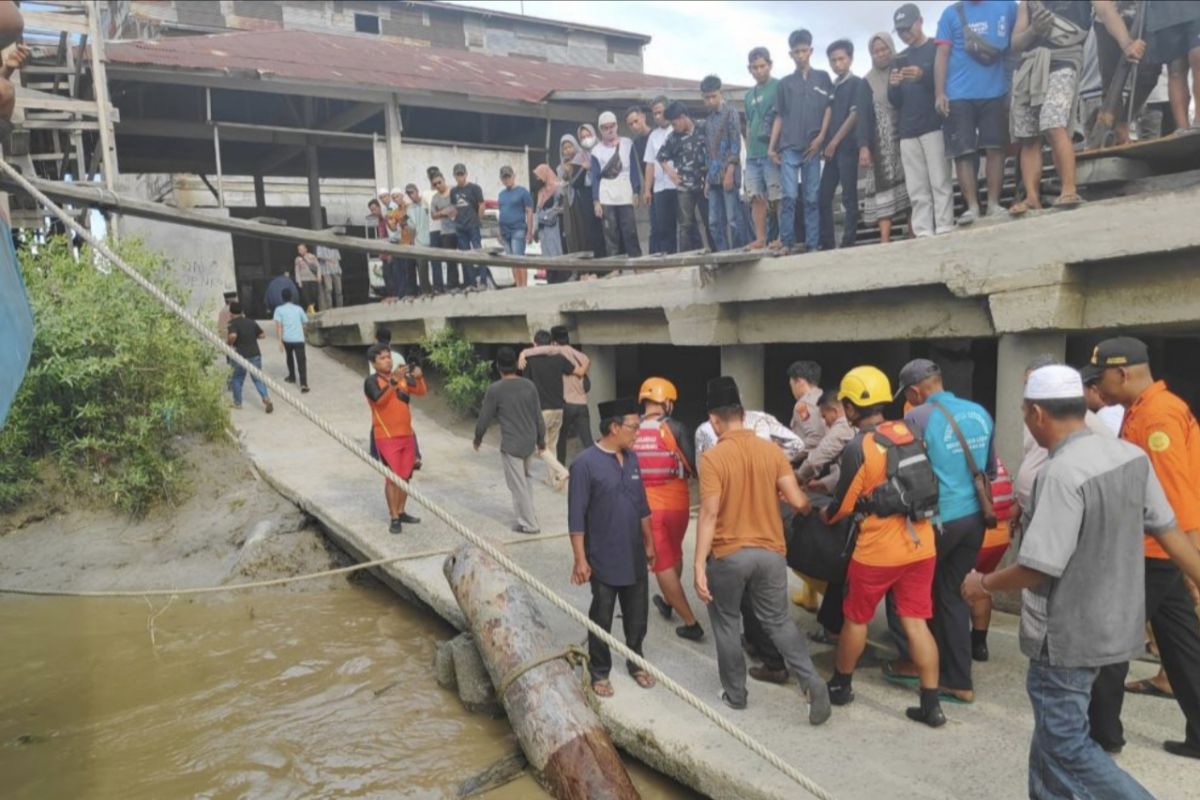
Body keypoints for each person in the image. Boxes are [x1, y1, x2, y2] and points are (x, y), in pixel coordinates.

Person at [961, 364, 1200, 796]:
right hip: (1117, 624)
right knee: (1050, 739)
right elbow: (1172, 536)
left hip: (1068, 635)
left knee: (1067, 743)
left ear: (1036, 414)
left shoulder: (1062, 472)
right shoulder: (1130, 455)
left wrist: (984, 583)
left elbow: (1039, 566)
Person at [1088, 336, 1200, 760]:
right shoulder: (1153, 407)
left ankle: (1103, 736)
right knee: (1182, 644)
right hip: (1158, 552)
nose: (1098, 387)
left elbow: (1176, 496)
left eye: (1101, 378)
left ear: (1123, 372)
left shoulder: (1157, 417)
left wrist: (1190, 563)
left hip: (1151, 552)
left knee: (1111, 642)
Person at [693, 375, 831, 722]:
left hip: (729, 555)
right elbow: (799, 500)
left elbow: (708, 514)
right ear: (743, 414)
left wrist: (697, 565)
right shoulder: (771, 452)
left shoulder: (713, 459)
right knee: (779, 621)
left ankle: (736, 696)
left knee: (726, 623)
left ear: (714, 419)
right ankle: (812, 682)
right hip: (770, 552)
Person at [822, 366, 945, 727]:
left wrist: (824, 517)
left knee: (856, 619)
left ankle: (842, 685)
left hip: (877, 552)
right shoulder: (911, 429)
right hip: (921, 545)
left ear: (850, 407)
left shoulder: (860, 446)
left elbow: (842, 505)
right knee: (916, 622)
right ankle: (931, 704)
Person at [889, 358, 995, 703]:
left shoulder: (916, 418)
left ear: (915, 391)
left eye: (907, 393)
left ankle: (914, 661)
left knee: (909, 590)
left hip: (939, 520)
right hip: (976, 517)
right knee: (952, 594)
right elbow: (988, 468)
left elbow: (905, 472)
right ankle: (959, 679)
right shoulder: (979, 412)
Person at [569, 396, 657, 697]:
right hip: (602, 557)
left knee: (637, 616)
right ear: (614, 428)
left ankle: (636, 662)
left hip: (634, 554)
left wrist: (649, 542)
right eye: (634, 427)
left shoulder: (632, 459)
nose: (638, 432)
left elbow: (642, 505)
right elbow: (576, 517)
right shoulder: (584, 464)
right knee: (602, 616)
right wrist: (580, 560)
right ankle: (600, 671)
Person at [1008, 1, 1108, 215]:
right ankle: (1032, 197)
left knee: (1053, 123)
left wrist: (1126, 43)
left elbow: (1105, 11)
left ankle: (1069, 188)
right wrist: (1033, 30)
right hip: (1030, 66)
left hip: (1064, 60)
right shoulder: (1027, 3)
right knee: (1028, 135)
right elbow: (1015, 43)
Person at [934, 0, 1018, 223]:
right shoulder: (950, 13)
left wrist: (1013, 84)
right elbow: (942, 54)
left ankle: (993, 203)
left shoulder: (1008, 6)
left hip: (996, 89)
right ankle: (972, 206)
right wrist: (939, 92)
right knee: (964, 151)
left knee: (995, 147)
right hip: (959, 93)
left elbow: (1017, 42)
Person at [634, 378, 703, 641]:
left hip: (651, 508)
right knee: (674, 553)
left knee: (661, 562)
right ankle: (668, 600)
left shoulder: (632, 429)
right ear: (668, 403)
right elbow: (692, 465)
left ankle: (691, 622)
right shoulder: (675, 427)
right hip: (680, 505)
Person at [892, 3, 955, 237]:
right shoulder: (900, 57)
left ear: (920, 21)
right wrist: (894, 85)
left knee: (940, 180)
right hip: (907, 130)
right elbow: (895, 100)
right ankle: (923, 231)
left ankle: (945, 225)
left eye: (907, 28)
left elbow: (944, 83)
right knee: (917, 187)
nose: (905, 34)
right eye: (900, 31)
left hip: (934, 124)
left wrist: (923, 76)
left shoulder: (935, 47)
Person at [769, 29, 833, 255]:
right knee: (789, 196)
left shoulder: (823, 77)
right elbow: (779, 116)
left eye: (804, 51)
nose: (800, 55)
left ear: (811, 51)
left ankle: (812, 244)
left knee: (811, 198)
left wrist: (821, 138)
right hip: (789, 147)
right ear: (790, 54)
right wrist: (771, 147)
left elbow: (828, 109)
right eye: (796, 52)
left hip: (812, 147)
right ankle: (786, 243)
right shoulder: (785, 84)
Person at [474, 347, 546, 534]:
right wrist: (541, 440)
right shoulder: (529, 385)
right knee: (526, 481)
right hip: (529, 442)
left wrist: (478, 438)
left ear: (498, 366)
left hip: (512, 445)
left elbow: (485, 416)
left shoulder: (495, 389)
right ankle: (526, 518)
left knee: (518, 486)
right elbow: (538, 415)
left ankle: (530, 524)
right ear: (516, 364)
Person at [364, 343, 426, 534]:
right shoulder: (371, 381)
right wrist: (393, 382)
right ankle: (394, 517)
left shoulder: (401, 378)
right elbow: (379, 401)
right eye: (382, 358)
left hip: (407, 435)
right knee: (392, 477)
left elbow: (421, 391)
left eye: (388, 356)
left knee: (406, 475)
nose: (387, 360)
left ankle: (401, 511)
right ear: (373, 363)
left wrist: (419, 376)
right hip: (386, 436)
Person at [818, 40, 870, 251]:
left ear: (850, 59)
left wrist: (835, 141)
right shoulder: (832, 87)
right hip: (830, 151)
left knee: (849, 195)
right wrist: (825, 142)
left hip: (847, 147)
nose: (837, 64)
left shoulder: (857, 83)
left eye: (841, 59)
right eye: (833, 60)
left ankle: (850, 240)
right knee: (823, 196)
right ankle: (828, 241)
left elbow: (854, 115)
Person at [862, 32, 911, 243]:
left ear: (891, 49)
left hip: (907, 133)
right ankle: (885, 238)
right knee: (883, 187)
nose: (880, 54)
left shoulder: (903, 70)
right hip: (880, 142)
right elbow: (863, 116)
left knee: (912, 182)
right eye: (876, 51)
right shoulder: (866, 81)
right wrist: (864, 147)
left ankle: (913, 229)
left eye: (884, 49)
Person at [519, 326, 592, 466]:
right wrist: (582, 371)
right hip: (582, 404)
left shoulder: (556, 351)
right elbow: (587, 360)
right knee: (588, 441)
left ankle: (560, 469)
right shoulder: (576, 353)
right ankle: (599, 467)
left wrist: (523, 353)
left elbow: (541, 349)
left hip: (565, 404)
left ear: (553, 342)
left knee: (559, 441)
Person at [967, 458, 1015, 662]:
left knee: (956, 588)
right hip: (1000, 534)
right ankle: (979, 645)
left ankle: (954, 644)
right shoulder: (998, 463)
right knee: (981, 587)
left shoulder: (964, 460)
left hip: (977, 534)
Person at [520, 329, 578, 491]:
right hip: (559, 408)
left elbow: (526, 386)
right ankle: (552, 479)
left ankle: (561, 472)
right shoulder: (558, 358)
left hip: (541, 411)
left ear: (535, 344)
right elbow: (574, 370)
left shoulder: (530, 361)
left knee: (540, 447)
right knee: (551, 444)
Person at [589, 110, 642, 263]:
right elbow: (595, 177)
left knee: (630, 230)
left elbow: (633, 169)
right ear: (600, 130)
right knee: (610, 233)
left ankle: (637, 264)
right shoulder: (596, 151)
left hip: (625, 191)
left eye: (612, 126)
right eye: (605, 127)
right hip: (606, 194)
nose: (609, 130)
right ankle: (615, 267)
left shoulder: (627, 143)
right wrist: (596, 201)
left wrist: (636, 191)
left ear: (617, 126)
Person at [700, 75, 744, 252]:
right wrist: (708, 179)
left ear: (720, 93)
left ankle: (739, 254)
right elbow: (709, 152)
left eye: (713, 96)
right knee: (713, 223)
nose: (711, 100)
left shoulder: (731, 112)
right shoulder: (708, 120)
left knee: (733, 220)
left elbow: (736, 144)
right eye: (707, 97)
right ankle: (724, 256)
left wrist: (730, 172)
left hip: (728, 174)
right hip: (713, 176)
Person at [657, 102, 708, 252]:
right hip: (685, 186)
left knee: (710, 222)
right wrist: (670, 173)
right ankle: (685, 258)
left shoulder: (703, 128)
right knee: (685, 225)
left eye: (674, 123)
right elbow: (661, 156)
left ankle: (717, 254)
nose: (673, 127)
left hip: (706, 184)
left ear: (683, 117)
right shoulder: (673, 137)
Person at [744, 47, 782, 250]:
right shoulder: (748, 95)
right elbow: (749, 124)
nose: (759, 70)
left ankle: (783, 235)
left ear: (770, 65)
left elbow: (782, 116)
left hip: (772, 152)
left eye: (762, 66)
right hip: (753, 154)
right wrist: (748, 151)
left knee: (777, 196)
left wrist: (777, 148)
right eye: (754, 67)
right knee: (756, 197)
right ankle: (760, 238)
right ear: (749, 69)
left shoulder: (779, 86)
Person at [642, 96, 679, 255]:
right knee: (663, 227)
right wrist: (647, 190)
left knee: (684, 225)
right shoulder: (653, 136)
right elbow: (649, 164)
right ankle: (667, 260)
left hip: (677, 185)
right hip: (659, 188)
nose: (657, 117)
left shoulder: (677, 130)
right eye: (654, 114)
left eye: (660, 112)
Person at [225, 302, 273, 414]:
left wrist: (229, 343)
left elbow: (233, 336)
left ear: (231, 313)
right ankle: (266, 398)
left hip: (240, 356)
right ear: (242, 311)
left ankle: (238, 403)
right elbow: (262, 335)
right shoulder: (251, 322)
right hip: (255, 354)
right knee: (257, 378)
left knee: (237, 378)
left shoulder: (232, 324)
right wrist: (251, 337)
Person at [558, 133, 599, 257]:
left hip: (582, 200)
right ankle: (579, 269)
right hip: (569, 203)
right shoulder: (560, 167)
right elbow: (562, 186)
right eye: (564, 148)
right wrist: (566, 174)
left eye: (570, 147)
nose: (567, 150)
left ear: (575, 146)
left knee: (584, 230)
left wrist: (579, 169)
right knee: (572, 233)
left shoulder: (582, 160)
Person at [450, 163, 487, 289]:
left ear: (466, 174)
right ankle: (471, 283)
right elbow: (454, 207)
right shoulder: (453, 191)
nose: (460, 177)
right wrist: (454, 218)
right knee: (465, 256)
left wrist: (478, 220)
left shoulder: (475, 188)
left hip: (472, 225)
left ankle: (483, 281)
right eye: (457, 174)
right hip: (460, 228)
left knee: (479, 252)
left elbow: (482, 205)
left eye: (461, 174)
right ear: (454, 176)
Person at [497, 165, 534, 288]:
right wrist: (499, 231)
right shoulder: (501, 194)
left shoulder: (522, 192)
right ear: (501, 179)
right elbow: (500, 212)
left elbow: (529, 211)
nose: (507, 179)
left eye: (508, 176)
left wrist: (529, 231)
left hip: (518, 229)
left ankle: (523, 287)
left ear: (513, 176)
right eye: (504, 177)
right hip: (505, 231)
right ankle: (518, 285)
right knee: (511, 261)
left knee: (519, 259)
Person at [533, 163, 568, 281]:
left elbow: (562, 207)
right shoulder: (541, 192)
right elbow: (538, 211)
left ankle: (561, 279)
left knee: (557, 253)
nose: (538, 179)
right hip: (544, 231)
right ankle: (551, 280)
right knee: (547, 256)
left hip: (556, 228)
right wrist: (535, 228)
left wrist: (549, 214)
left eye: (539, 175)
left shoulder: (558, 189)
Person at [272, 288, 309, 392]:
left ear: (282, 298)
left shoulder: (279, 309)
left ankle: (292, 377)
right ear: (291, 297)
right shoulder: (299, 309)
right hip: (299, 339)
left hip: (287, 339)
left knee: (289, 357)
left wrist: (279, 341)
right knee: (301, 360)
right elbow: (305, 322)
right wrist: (303, 333)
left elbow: (279, 327)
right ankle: (304, 384)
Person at [787, 360, 827, 452]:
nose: (792, 390)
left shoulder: (803, 405)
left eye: (792, 385)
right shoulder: (823, 396)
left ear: (799, 382)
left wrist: (788, 453)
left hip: (810, 461)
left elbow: (815, 438)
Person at [429, 171, 459, 291]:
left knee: (466, 257)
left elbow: (458, 208)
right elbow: (433, 215)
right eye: (435, 184)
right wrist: (444, 212)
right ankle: (453, 286)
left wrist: (445, 211)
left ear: (444, 180)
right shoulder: (435, 198)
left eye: (439, 182)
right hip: (446, 232)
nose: (437, 186)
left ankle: (469, 283)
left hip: (459, 229)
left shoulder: (454, 191)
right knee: (450, 260)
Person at [403, 183, 432, 295]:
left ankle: (437, 289)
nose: (411, 195)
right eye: (408, 193)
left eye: (412, 192)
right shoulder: (409, 208)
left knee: (435, 268)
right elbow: (408, 224)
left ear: (417, 191)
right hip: (419, 243)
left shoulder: (426, 202)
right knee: (422, 269)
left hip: (432, 240)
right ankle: (426, 292)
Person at [293, 244, 321, 312]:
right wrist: (299, 282)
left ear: (306, 249)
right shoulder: (297, 259)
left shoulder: (312, 256)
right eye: (299, 249)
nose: (300, 251)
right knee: (306, 297)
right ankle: (311, 312)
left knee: (314, 295)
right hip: (304, 280)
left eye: (302, 249)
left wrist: (319, 276)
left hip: (313, 279)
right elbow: (297, 271)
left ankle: (311, 310)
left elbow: (318, 267)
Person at [315, 244, 343, 310]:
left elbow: (338, 258)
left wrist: (339, 270)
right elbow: (319, 256)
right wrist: (329, 259)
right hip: (326, 271)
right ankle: (330, 308)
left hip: (336, 270)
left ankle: (340, 308)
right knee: (329, 289)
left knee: (339, 290)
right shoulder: (320, 245)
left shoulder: (334, 246)